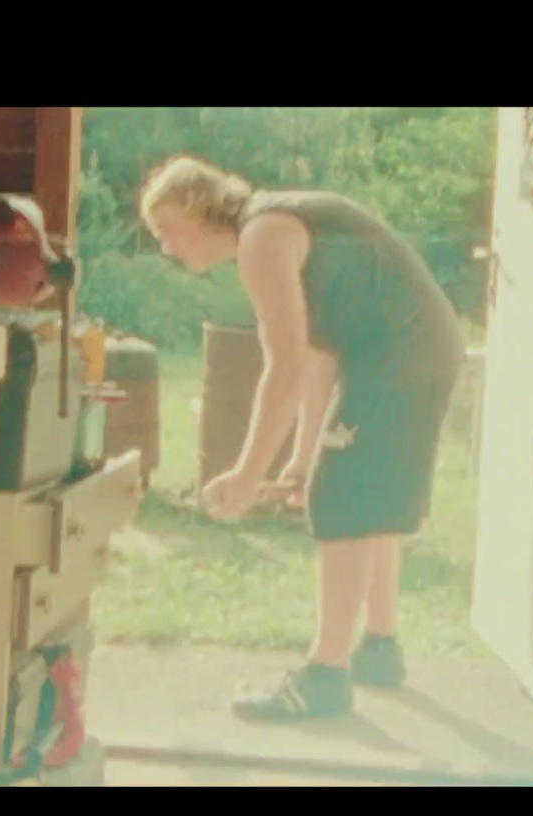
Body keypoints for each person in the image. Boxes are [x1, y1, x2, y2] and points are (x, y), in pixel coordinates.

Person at [139, 154, 465, 721]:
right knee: (367, 496)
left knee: (339, 499)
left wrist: (244, 476)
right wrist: (299, 456)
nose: (164, 247)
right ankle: (379, 648)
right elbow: (316, 357)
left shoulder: (262, 238)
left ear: (197, 209)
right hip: (412, 349)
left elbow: (283, 367)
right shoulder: (274, 222)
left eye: (165, 229)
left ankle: (325, 678)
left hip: (398, 355)